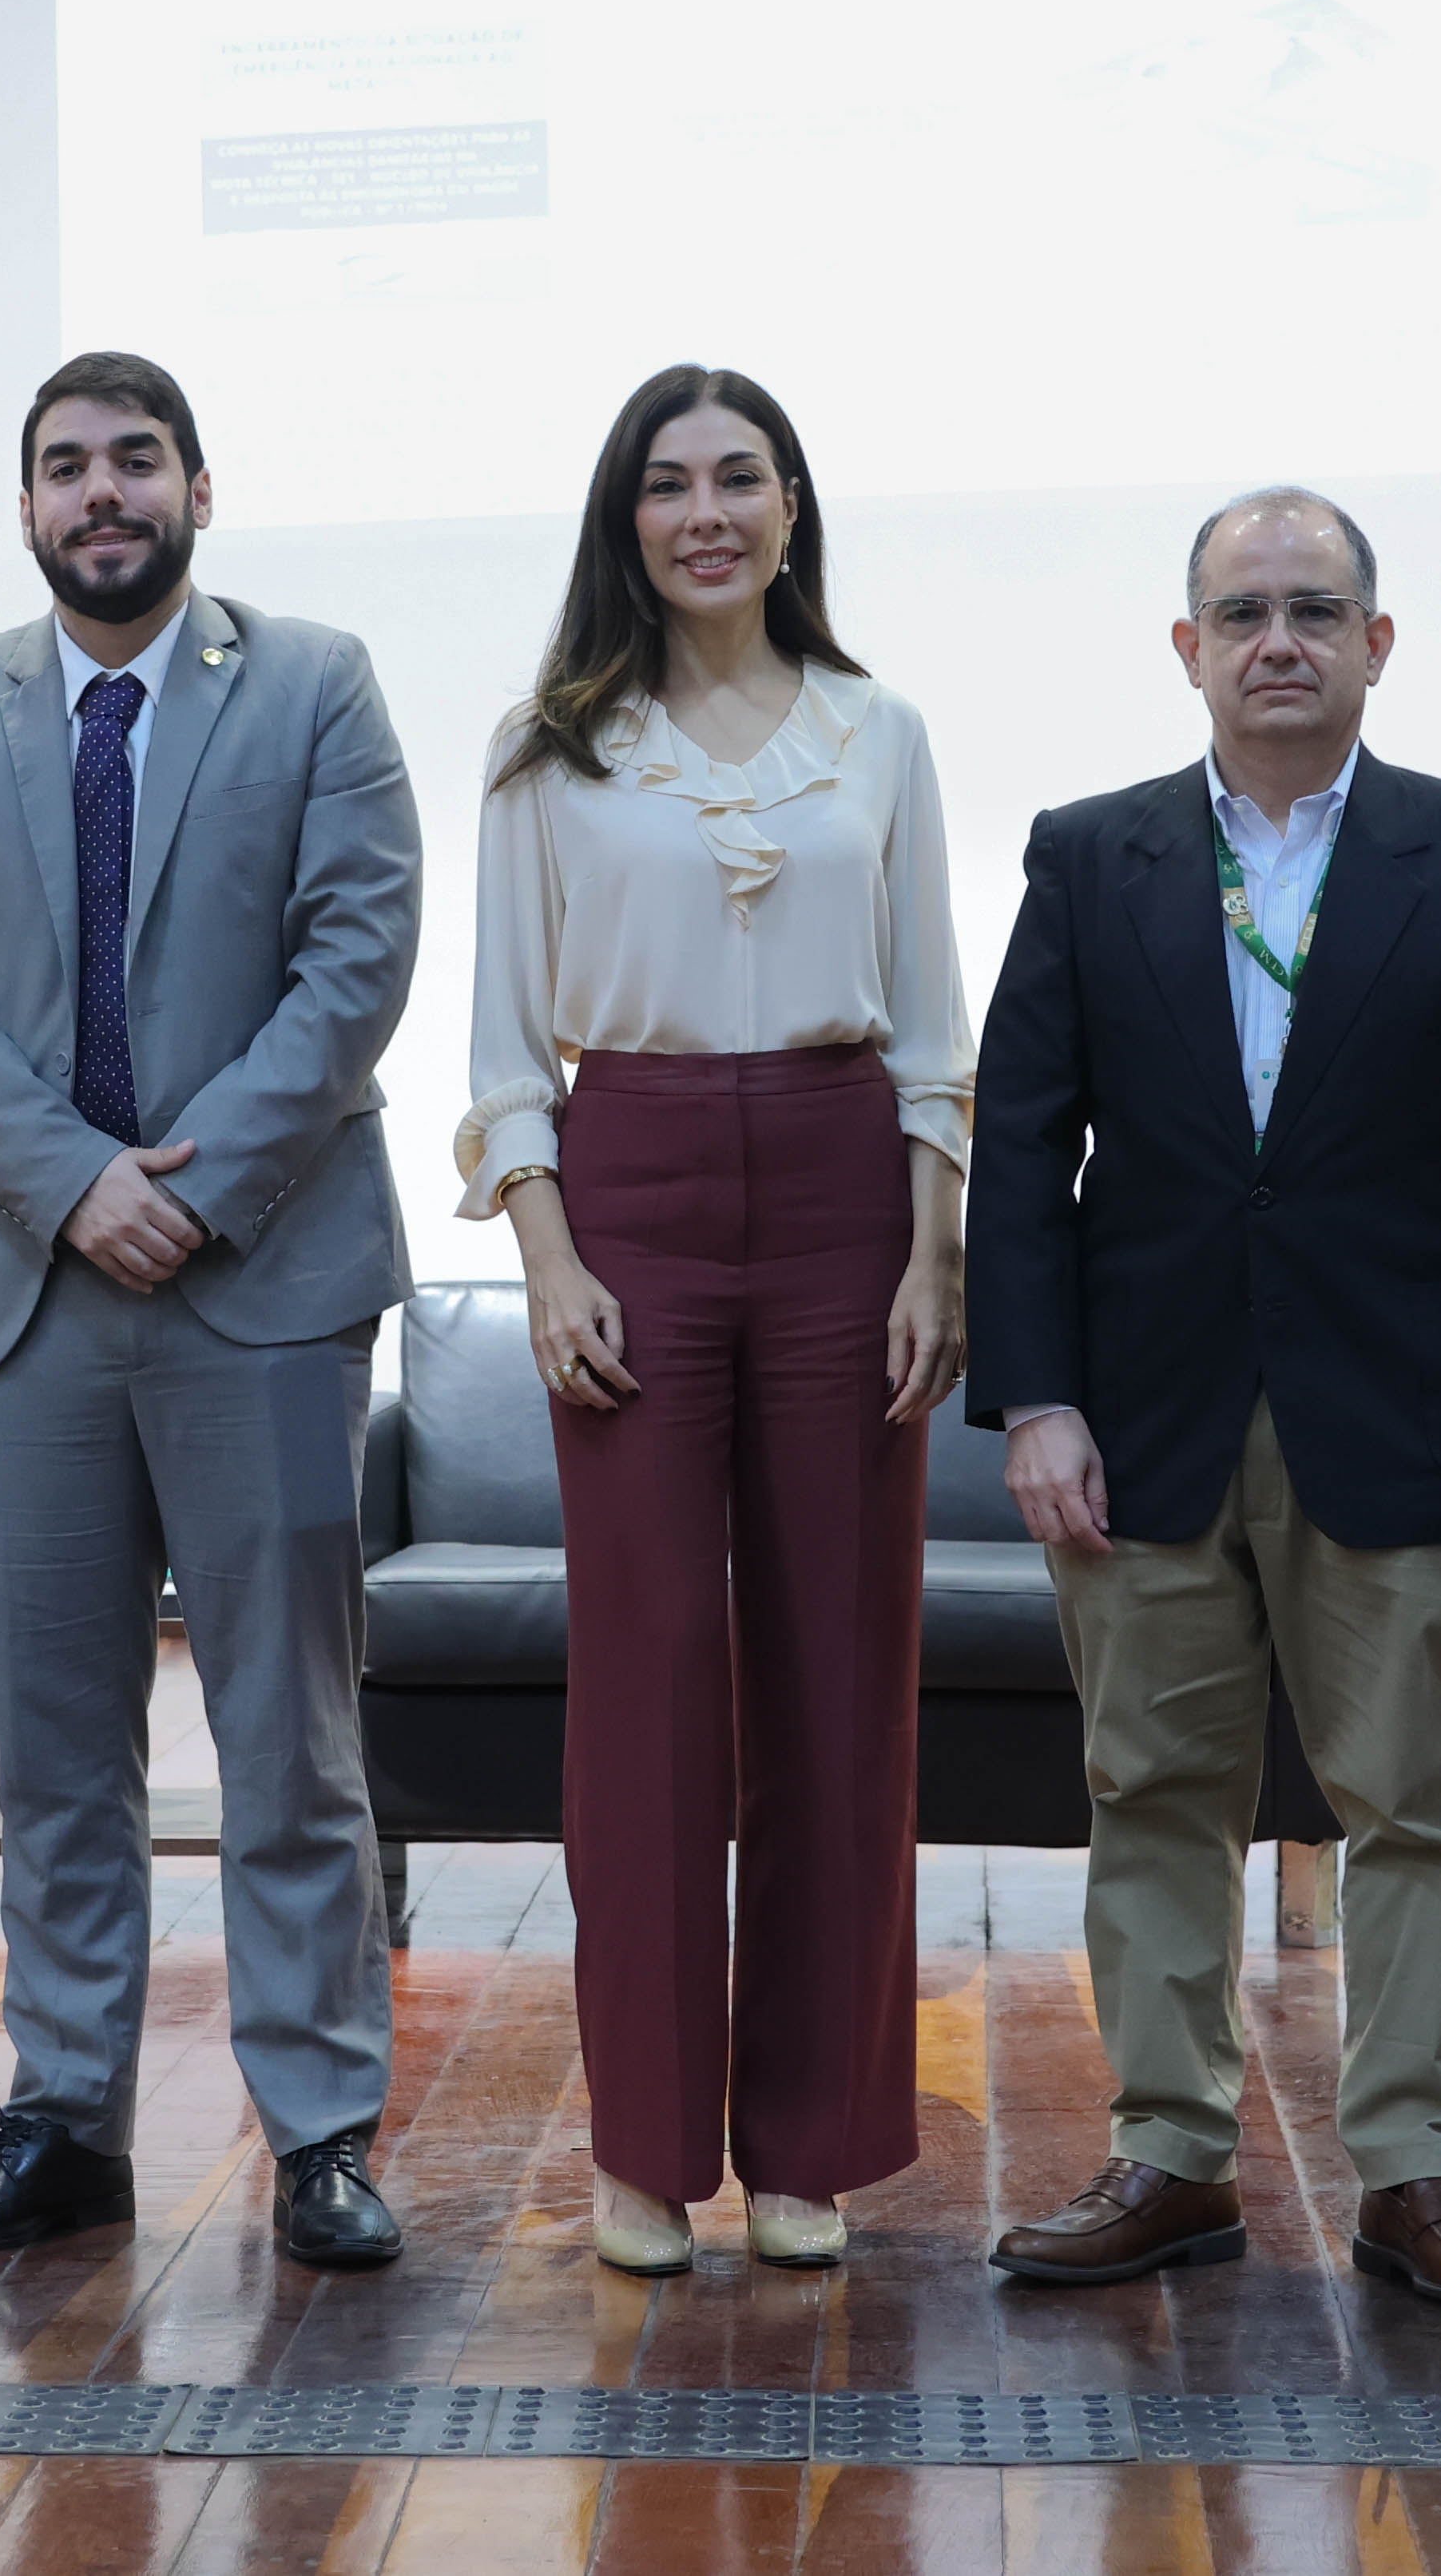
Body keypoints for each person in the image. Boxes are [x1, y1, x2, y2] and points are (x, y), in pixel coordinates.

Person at [967, 488, 1441, 2304]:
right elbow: (1022, 1148)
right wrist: (1035, 1398)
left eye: (1314, 610)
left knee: (1415, 1801)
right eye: (1241, 612)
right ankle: (1170, 2154)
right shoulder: (1088, 857)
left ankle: (1419, 2170)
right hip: (1143, 1415)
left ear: (1374, 643)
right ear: (1187, 648)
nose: (1278, 642)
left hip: (1405, 1411)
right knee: (1153, 1793)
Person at [0, 351, 423, 2270]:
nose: (101, 491)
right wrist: (74, 1182)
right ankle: (66, 2113)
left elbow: (357, 956)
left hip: (264, 1285)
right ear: (25, 506)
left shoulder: (315, 681)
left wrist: (188, 1182)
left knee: (289, 1735)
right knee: (52, 1742)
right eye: (65, 465)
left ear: (196, 487)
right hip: (20, 1292)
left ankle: (318, 2127)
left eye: (134, 459)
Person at [456, 366, 969, 2278]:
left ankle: (809, 2143)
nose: (704, 513)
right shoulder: (547, 746)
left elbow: (932, 1026)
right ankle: (645, 2148)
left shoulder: (877, 729)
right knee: (647, 1678)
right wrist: (546, 1256)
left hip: (846, 1196)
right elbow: (505, 1047)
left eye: (737, 477)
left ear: (788, 506)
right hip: (634, 1196)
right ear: (626, 519)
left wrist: (934, 1254)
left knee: (840, 1669)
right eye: (666, 484)